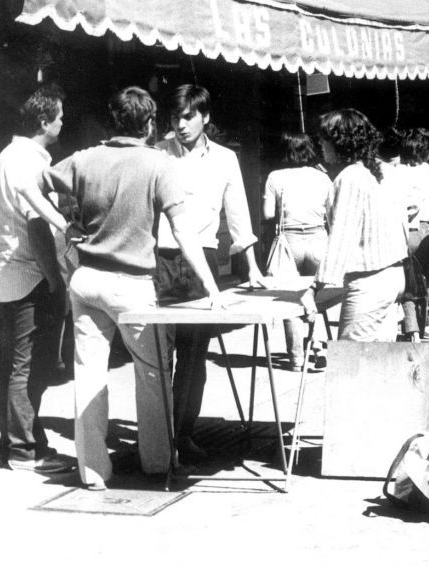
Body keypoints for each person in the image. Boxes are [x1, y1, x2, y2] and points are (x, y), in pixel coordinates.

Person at [39, 87, 220, 490]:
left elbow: (37, 183)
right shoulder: (159, 164)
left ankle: (92, 472)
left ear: (114, 120)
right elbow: (183, 232)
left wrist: (65, 223)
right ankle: (157, 463)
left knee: (88, 375)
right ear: (151, 123)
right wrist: (210, 284)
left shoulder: (85, 158)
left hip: (86, 280)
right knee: (152, 374)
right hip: (133, 286)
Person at [155, 84, 264, 464]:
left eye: (189, 117)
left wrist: (251, 267)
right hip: (161, 261)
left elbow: (238, 213)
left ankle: (181, 435)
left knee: (193, 355)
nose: (181, 125)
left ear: (205, 118)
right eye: (175, 117)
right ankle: (158, 441)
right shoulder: (157, 155)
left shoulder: (224, 159)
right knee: (157, 354)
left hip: (201, 261)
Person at [0, 85, 74, 474]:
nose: (62, 122)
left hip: (10, 273)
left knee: (13, 362)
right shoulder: (28, 161)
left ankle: (18, 440)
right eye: (58, 116)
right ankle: (23, 450)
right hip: (31, 275)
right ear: (44, 121)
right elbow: (37, 226)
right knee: (31, 364)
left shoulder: (7, 156)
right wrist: (54, 278)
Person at [300, 109, 408, 341]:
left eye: (324, 138)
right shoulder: (382, 171)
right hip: (393, 275)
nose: (320, 143)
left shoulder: (349, 177)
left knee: (351, 367)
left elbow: (341, 238)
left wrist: (314, 289)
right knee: (379, 365)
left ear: (340, 142)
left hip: (369, 283)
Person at [262, 132, 332, 371]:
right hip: (319, 238)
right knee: (319, 295)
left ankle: (296, 358)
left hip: (289, 241)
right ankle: (320, 347)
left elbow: (268, 214)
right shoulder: (322, 178)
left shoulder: (275, 177)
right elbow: (332, 214)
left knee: (290, 299)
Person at [397, 128, 429, 338]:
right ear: (427, 152)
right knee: (427, 281)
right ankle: (424, 323)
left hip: (403, 230)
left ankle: (412, 329)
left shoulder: (395, 174)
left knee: (406, 280)